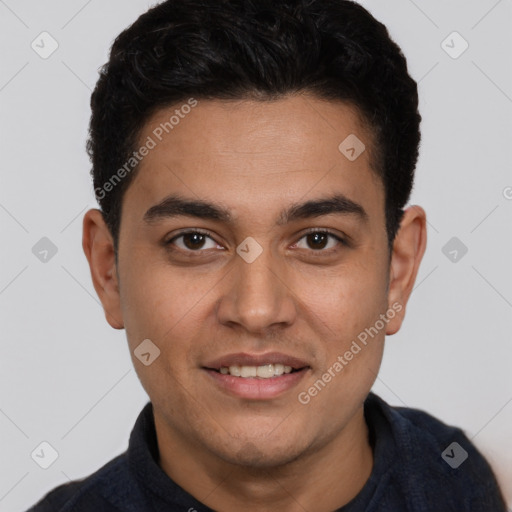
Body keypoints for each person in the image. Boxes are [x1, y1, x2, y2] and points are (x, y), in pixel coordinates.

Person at [27, 0, 507, 510]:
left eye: (318, 240)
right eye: (194, 241)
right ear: (108, 270)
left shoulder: (477, 484)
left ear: (399, 269)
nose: (256, 311)